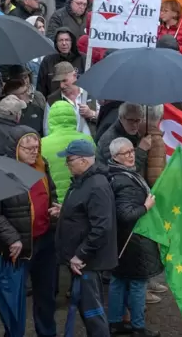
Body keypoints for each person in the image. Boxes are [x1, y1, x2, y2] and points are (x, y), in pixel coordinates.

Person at [0, 129, 59, 337]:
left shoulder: (42, 167)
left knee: (46, 297)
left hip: (45, 241)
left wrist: (55, 208)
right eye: (29, 148)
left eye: (37, 147)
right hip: (18, 246)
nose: (35, 152)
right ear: (16, 149)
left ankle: (47, 333)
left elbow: (50, 194)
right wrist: (12, 238)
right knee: (14, 300)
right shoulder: (2, 173)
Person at [55, 139, 117, 336]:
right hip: (84, 262)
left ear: (83, 161)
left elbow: (102, 227)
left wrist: (80, 255)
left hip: (89, 263)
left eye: (69, 160)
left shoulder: (96, 186)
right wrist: (64, 211)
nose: (67, 164)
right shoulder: (85, 181)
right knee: (87, 311)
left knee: (93, 313)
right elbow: (84, 213)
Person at [106, 138, 163, 337]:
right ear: (115, 157)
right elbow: (126, 215)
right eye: (125, 153)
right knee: (138, 283)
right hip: (133, 241)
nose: (130, 155)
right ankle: (138, 327)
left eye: (131, 151)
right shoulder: (125, 182)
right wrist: (146, 206)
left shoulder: (115, 173)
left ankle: (114, 323)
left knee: (118, 280)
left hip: (120, 242)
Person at [42, 100, 95, 204]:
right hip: (83, 198)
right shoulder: (87, 140)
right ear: (74, 117)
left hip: (55, 201)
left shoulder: (42, 144)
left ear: (50, 119)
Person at [43, 62, 96, 137]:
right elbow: (47, 130)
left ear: (74, 76)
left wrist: (91, 114)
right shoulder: (52, 100)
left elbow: (103, 118)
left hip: (92, 144)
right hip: (66, 146)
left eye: (64, 80)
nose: (61, 86)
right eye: (59, 82)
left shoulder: (90, 92)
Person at [96, 103, 151, 176]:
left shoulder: (135, 132)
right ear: (121, 118)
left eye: (138, 120)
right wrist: (141, 150)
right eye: (130, 120)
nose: (135, 125)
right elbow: (123, 171)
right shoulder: (110, 139)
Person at [37, 27, 84, 97]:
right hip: (53, 103)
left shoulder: (83, 59)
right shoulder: (48, 61)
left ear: (72, 41)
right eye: (60, 40)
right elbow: (41, 88)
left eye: (67, 40)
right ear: (56, 43)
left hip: (78, 102)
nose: (64, 43)